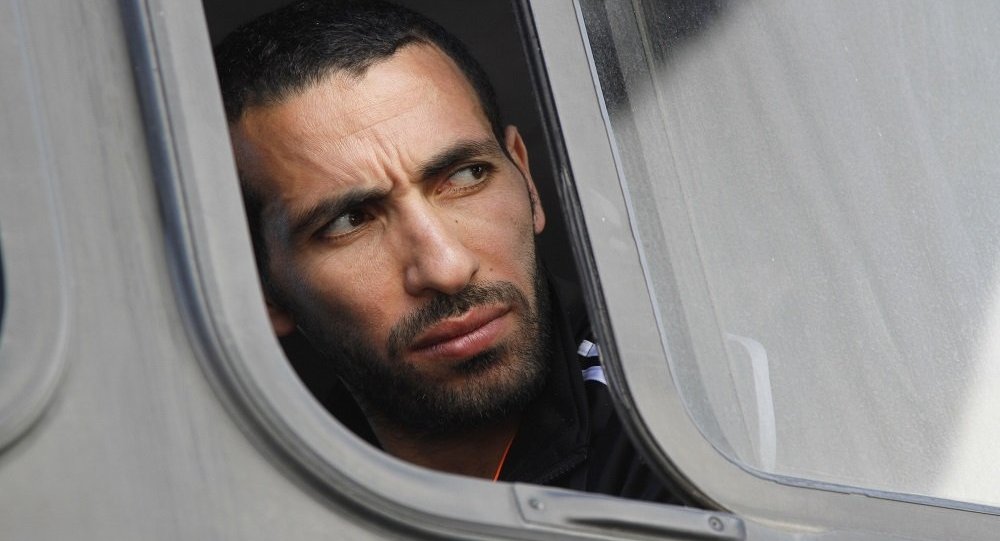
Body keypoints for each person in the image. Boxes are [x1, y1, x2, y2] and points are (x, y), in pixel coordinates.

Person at [214, 0, 687, 504]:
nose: (448, 268)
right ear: (260, 290)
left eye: (465, 176)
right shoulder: (267, 499)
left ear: (527, 183)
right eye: (349, 221)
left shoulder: (694, 432)